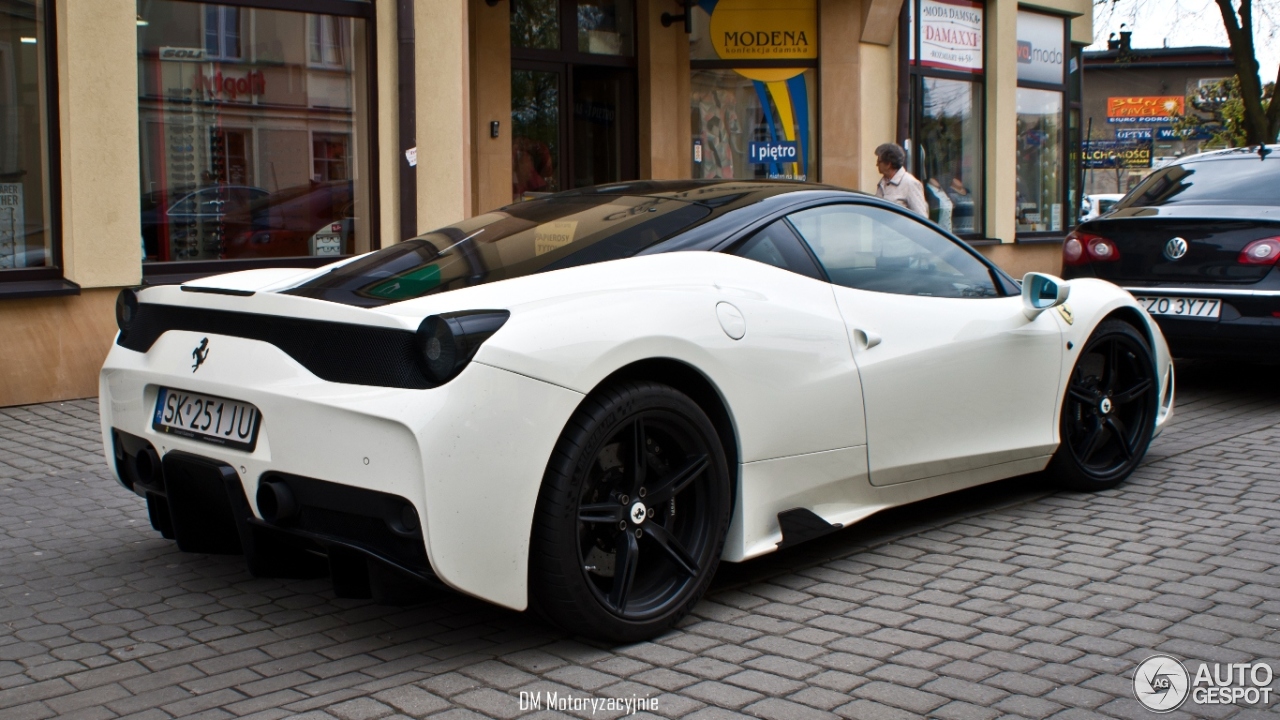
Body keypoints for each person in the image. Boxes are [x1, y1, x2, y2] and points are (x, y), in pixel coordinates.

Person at [874, 143, 928, 217]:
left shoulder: (910, 183)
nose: (876, 164)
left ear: (888, 164)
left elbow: (921, 217)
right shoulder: (882, 183)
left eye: (879, 161)